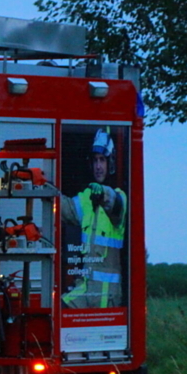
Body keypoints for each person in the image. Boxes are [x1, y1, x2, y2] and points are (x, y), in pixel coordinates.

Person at [60, 128, 127, 308]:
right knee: (59, 312)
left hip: (107, 294)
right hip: (85, 288)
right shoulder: (87, 197)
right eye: (95, 161)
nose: (98, 166)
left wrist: (103, 193)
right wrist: (43, 187)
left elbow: (114, 202)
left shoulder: (119, 197)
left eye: (102, 160)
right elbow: (63, 208)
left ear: (110, 163)